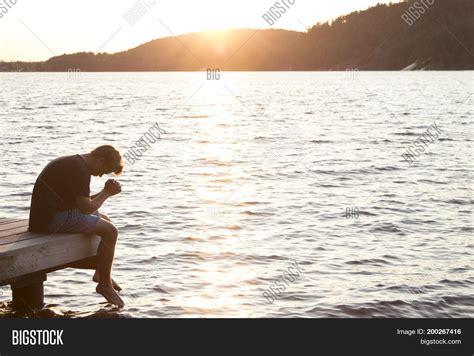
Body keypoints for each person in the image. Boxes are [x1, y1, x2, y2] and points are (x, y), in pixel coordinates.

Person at [29, 145, 125, 308]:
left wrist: (104, 192)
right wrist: (107, 193)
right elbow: (86, 208)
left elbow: (83, 203)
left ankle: (101, 273)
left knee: (105, 220)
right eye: (104, 170)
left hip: (51, 214)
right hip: (49, 220)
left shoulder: (75, 163)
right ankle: (104, 285)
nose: (100, 175)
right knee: (111, 232)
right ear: (100, 160)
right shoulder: (80, 170)